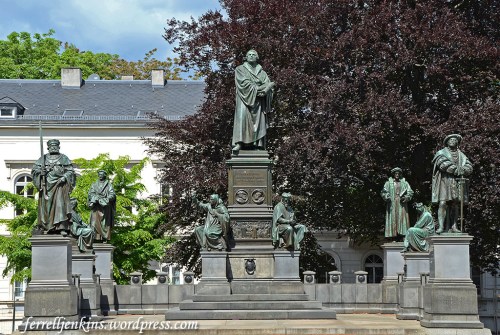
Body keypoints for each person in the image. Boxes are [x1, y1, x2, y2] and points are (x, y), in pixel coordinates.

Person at [232, 49, 275, 153]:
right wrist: (260, 88)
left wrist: (266, 91)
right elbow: (244, 83)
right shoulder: (240, 69)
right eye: (249, 55)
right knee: (242, 118)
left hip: (258, 102)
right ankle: (239, 143)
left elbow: (269, 86)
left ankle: (258, 144)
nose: (251, 56)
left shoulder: (262, 72)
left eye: (253, 55)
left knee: (259, 122)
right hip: (244, 99)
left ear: (257, 57)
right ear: (246, 57)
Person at [32, 139, 76, 235]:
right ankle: (46, 227)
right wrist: (40, 172)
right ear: (48, 148)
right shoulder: (42, 159)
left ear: (59, 147)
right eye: (51, 146)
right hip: (46, 188)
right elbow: (34, 171)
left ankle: (61, 227)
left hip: (59, 186)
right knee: (46, 208)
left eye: (55, 146)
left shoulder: (64, 158)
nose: (53, 147)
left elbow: (70, 171)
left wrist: (64, 177)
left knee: (60, 206)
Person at [431, 134, 473, 234]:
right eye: (450, 139)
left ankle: (454, 226)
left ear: (457, 143)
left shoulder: (462, 155)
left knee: (455, 205)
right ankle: (441, 227)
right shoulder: (441, 153)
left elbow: (469, 166)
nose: (452, 141)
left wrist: (464, 170)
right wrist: (457, 170)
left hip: (457, 182)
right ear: (447, 142)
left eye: (454, 140)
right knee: (442, 203)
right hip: (445, 181)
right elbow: (442, 164)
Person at [380, 167, 414, 239]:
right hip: (392, 203)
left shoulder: (405, 183)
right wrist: (386, 196)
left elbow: (410, 192)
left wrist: (406, 197)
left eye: (398, 173)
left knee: (402, 218)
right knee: (393, 218)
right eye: (396, 173)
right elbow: (383, 192)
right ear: (393, 174)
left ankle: (403, 235)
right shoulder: (388, 183)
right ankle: (393, 236)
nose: (397, 175)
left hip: (401, 204)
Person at [88, 170, 116, 242]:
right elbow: (90, 194)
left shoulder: (109, 185)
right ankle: (95, 238)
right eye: (99, 174)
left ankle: (104, 238)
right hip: (96, 207)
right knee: (94, 223)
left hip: (105, 208)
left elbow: (112, 195)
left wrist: (106, 199)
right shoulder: (94, 185)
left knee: (105, 224)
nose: (100, 175)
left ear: (104, 175)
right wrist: (95, 198)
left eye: (102, 174)